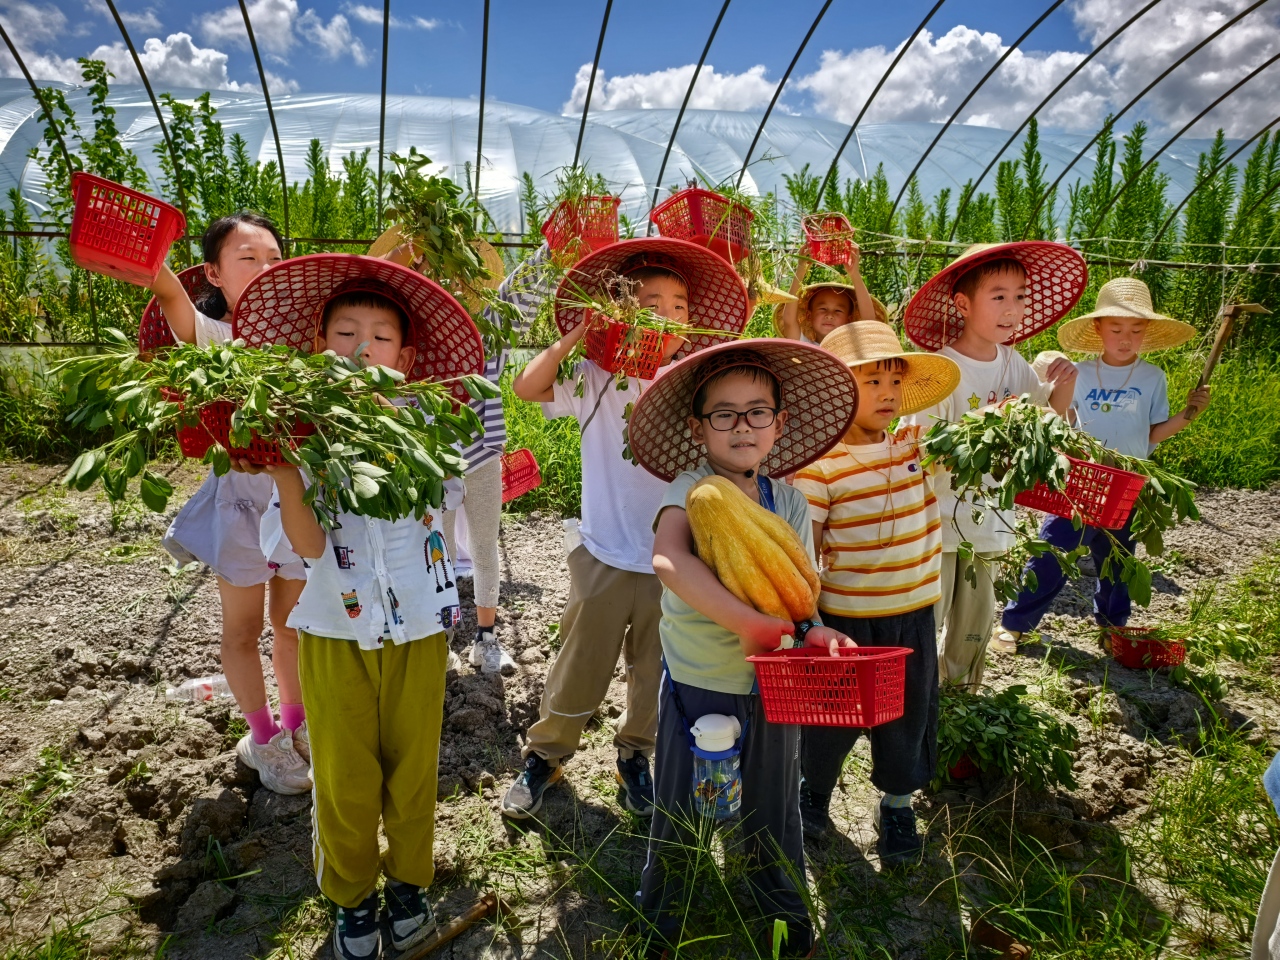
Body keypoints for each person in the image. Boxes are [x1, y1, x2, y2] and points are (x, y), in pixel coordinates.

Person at [243, 253, 484, 960]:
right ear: (320, 347)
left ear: (405, 357)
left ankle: (409, 883)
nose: (361, 348)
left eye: (379, 337)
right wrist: (288, 471)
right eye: (344, 333)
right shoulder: (305, 435)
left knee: (412, 768)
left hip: (417, 624)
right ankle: (351, 899)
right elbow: (309, 547)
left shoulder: (430, 432)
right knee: (345, 774)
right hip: (332, 626)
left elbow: (436, 523)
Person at [502, 238, 751, 820]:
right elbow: (526, 387)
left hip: (680, 561)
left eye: (679, 305)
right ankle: (547, 753)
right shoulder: (597, 376)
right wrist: (576, 335)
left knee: (655, 671)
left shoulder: (697, 383)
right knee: (580, 661)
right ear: (621, 311)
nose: (666, 315)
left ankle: (634, 755)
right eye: (650, 302)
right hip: (606, 553)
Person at [625, 339, 859, 958]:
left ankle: (781, 912)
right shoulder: (692, 491)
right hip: (697, 683)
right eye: (723, 413)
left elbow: (797, 591)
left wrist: (812, 630)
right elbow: (669, 561)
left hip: (772, 684)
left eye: (757, 411)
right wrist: (748, 623)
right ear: (699, 428)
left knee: (773, 804)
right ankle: (661, 919)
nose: (741, 426)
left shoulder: (791, 501)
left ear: (779, 424)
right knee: (677, 806)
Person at [151, 213, 311, 794]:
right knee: (243, 631)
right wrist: (150, 260)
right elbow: (173, 299)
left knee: (292, 627)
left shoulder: (305, 345)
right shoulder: (221, 340)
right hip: (240, 509)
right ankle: (264, 737)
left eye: (274, 259)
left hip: (294, 509)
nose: (265, 269)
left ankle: (297, 726)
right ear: (216, 274)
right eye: (248, 259)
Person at [791, 321, 960, 865]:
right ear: (840, 392)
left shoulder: (917, 447)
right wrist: (809, 620)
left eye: (893, 382)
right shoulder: (821, 466)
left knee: (909, 715)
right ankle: (813, 794)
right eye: (871, 383)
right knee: (830, 717)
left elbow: (973, 456)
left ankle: (897, 805)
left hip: (912, 612)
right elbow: (807, 550)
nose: (886, 394)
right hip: (848, 619)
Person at [901, 242, 1087, 690]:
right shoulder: (942, 369)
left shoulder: (1013, 363)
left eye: (1020, 296)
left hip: (992, 525)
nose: (1012, 308)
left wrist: (1063, 385)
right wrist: (987, 420)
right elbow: (920, 450)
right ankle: (919, 709)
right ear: (963, 304)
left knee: (972, 631)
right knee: (926, 629)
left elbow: (1047, 424)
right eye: (998, 296)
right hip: (939, 527)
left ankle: (963, 703)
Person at [994, 277, 1206, 650]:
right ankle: (1014, 623)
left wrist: (1189, 414)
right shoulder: (1079, 372)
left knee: (1120, 563)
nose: (1126, 338)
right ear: (1098, 329)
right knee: (1054, 551)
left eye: (1136, 330)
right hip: (1083, 479)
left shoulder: (1153, 377)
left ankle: (1113, 629)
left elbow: (1152, 434)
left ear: (1147, 333)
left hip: (1130, 481)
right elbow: (1063, 419)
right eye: (1117, 328)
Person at [773, 245, 886, 343]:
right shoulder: (804, 345)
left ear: (849, 319)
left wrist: (855, 274)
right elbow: (789, 320)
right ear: (809, 315)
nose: (829, 315)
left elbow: (869, 322)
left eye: (838, 311)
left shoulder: (853, 350)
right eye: (822, 309)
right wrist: (801, 270)